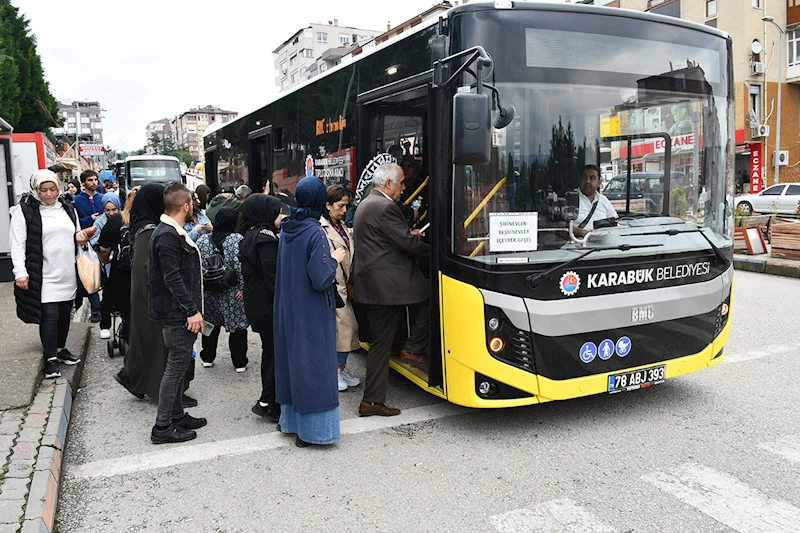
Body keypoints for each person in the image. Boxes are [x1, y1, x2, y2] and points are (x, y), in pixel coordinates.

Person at [274, 176, 346, 447]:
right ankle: (315, 433)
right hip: (312, 309)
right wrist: (335, 260)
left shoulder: (288, 229)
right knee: (316, 366)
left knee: (294, 363)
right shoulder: (315, 232)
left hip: (289, 306)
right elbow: (319, 278)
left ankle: (291, 423)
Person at [353, 163, 430, 417]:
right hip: (385, 288)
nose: (404, 187)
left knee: (381, 341)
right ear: (388, 184)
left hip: (373, 284)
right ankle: (373, 401)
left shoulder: (368, 203)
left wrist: (408, 234)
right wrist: (431, 249)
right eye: (401, 182)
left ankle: (407, 347)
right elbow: (405, 243)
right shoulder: (386, 207)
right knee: (430, 296)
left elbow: (388, 238)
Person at [114, 184, 196, 408]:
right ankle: (168, 398)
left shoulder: (142, 227)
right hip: (156, 299)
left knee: (146, 343)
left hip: (146, 297)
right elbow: (154, 270)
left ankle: (135, 379)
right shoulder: (151, 231)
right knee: (162, 348)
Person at [10, 170, 88, 379]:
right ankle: (50, 358)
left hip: (67, 271)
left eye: (53, 189)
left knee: (65, 313)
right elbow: (17, 244)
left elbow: (76, 234)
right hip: (42, 273)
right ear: (36, 190)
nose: (49, 194)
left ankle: (61, 349)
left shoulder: (67, 207)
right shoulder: (24, 211)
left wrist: (81, 240)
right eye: (43, 190)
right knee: (49, 315)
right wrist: (20, 272)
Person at [148, 183, 206, 444]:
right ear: (185, 206)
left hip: (176, 311)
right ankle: (162, 427)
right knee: (175, 367)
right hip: (176, 313)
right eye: (191, 202)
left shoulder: (171, 231)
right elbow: (172, 278)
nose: (193, 206)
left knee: (178, 366)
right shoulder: (167, 235)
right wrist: (191, 310)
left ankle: (176, 415)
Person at [239, 194, 283, 422]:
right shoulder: (265, 239)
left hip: (257, 303)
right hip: (267, 305)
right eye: (276, 212)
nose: (280, 216)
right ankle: (268, 401)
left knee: (270, 352)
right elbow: (273, 278)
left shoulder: (251, 234)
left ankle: (268, 399)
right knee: (275, 353)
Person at [196, 207, 249, 371]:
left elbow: (197, 267)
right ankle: (239, 362)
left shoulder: (203, 241)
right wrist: (243, 287)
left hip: (210, 291)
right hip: (232, 291)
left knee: (210, 325)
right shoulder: (236, 239)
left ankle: (207, 357)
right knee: (237, 327)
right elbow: (241, 266)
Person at [320, 185, 361, 392]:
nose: (344, 210)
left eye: (346, 206)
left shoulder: (341, 226)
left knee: (345, 329)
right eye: (340, 206)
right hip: (333, 286)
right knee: (342, 330)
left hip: (344, 285)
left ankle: (340, 368)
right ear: (327, 205)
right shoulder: (321, 228)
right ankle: (334, 371)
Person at [97, 188, 138, 344]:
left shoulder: (115, 221)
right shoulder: (154, 220)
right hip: (146, 272)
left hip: (120, 271)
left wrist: (106, 260)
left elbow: (103, 248)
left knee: (124, 307)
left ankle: (127, 333)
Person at [73, 170, 105, 322]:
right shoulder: (77, 201)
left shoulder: (103, 198)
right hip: (86, 244)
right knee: (90, 276)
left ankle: (108, 306)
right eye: (90, 180)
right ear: (84, 183)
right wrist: (88, 219)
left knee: (105, 277)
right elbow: (75, 221)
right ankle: (96, 310)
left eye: (95, 180)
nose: (93, 182)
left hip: (104, 242)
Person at [90, 194, 122, 340]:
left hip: (120, 263)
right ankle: (105, 325)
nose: (111, 213)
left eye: (114, 209)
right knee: (107, 296)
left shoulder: (123, 220)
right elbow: (95, 242)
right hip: (105, 264)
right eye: (108, 210)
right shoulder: (99, 223)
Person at [573, 164, 617, 237]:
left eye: (592, 178)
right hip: (575, 244)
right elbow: (562, 227)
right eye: (584, 177)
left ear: (599, 183)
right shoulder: (569, 198)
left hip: (603, 244)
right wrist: (585, 234)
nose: (588, 181)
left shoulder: (603, 200)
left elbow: (615, 221)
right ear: (579, 180)